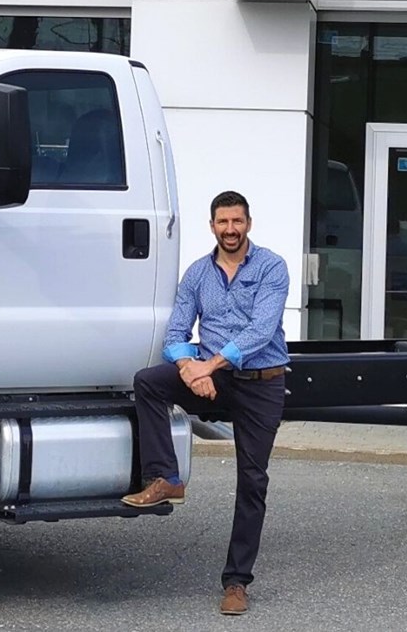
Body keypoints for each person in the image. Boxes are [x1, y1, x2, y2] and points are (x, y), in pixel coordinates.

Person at [121, 190, 289, 616]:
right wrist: (188, 370)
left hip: (260, 381)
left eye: (237, 221)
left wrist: (207, 366)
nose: (230, 230)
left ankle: (236, 582)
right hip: (211, 376)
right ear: (211, 225)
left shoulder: (272, 267)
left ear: (248, 223)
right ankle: (164, 478)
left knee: (253, 481)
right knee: (148, 382)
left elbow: (261, 331)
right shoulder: (198, 273)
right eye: (222, 222)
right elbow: (176, 334)